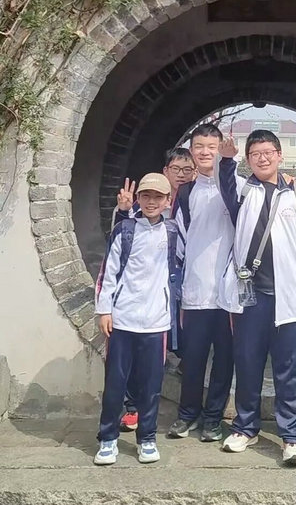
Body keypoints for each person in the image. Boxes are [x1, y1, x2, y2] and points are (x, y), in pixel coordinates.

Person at [216, 129, 296, 467]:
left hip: (288, 295)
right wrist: (226, 159)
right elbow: (225, 182)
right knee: (247, 362)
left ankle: (293, 436)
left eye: (268, 152)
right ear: (248, 159)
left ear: (280, 155)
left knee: (291, 368)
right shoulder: (242, 189)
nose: (262, 158)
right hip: (250, 296)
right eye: (255, 154)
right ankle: (245, 427)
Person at [94, 173, 179, 465]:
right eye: (146, 196)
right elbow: (109, 272)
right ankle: (108, 438)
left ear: (168, 201)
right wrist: (105, 310)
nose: (152, 202)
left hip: (156, 321)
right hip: (123, 319)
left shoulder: (173, 232)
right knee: (115, 383)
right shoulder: (125, 230)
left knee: (151, 386)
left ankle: (147, 438)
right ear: (139, 199)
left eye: (158, 197)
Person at [111, 147, 195, 433]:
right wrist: (124, 211)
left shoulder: (195, 201)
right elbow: (120, 244)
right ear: (165, 170)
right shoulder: (143, 208)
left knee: (185, 346)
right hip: (148, 292)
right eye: (176, 169)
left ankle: (185, 410)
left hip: (185, 285)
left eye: (187, 170)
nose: (181, 175)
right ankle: (133, 408)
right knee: (140, 351)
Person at [168, 124, 235, 443]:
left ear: (221, 148)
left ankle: (213, 419)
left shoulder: (237, 186)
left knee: (224, 360)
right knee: (192, 360)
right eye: (199, 146)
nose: (205, 152)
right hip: (195, 291)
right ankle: (187, 415)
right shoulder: (185, 193)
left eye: (211, 146)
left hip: (228, 293)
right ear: (191, 150)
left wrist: (228, 166)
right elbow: (179, 240)